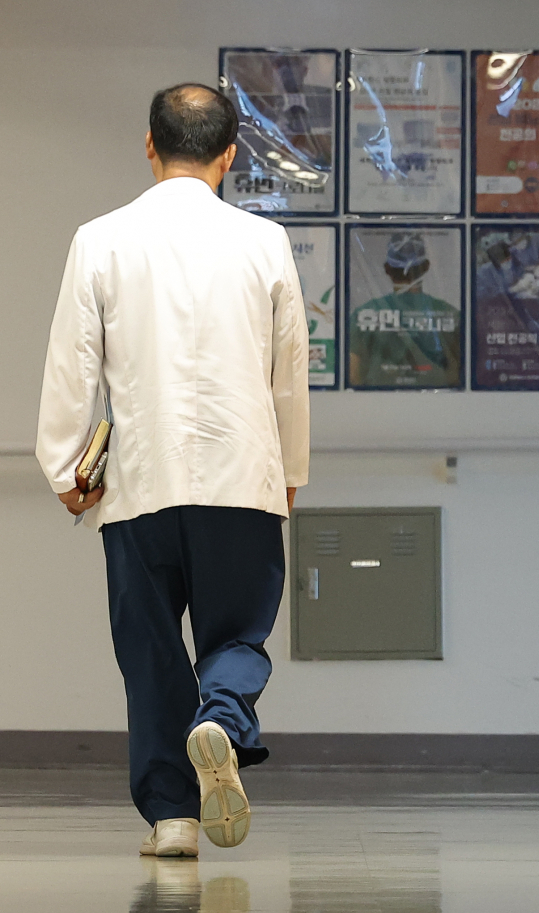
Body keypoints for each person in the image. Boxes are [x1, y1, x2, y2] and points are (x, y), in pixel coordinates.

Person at [35, 84, 310, 859]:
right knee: (237, 631)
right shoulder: (265, 243)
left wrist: (62, 465)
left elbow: (72, 364)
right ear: (230, 155)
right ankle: (221, 714)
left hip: (139, 483)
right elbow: (290, 371)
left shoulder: (101, 239)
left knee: (151, 652)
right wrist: (290, 469)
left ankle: (173, 819)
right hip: (241, 477)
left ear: (149, 146)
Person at [347, 232, 462, 388]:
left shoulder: (363, 315)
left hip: (377, 406)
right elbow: (457, 373)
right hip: (437, 407)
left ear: (387, 269)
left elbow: (353, 374)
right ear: (426, 267)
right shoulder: (450, 315)